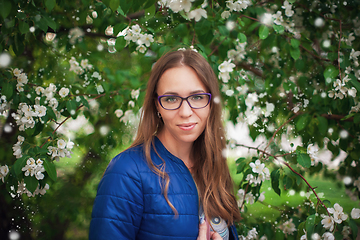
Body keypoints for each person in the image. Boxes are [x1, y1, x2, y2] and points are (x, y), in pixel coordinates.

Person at [89, 49, 241, 240]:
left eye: (197, 97)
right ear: (157, 105)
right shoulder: (126, 172)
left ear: (211, 102)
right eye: (171, 99)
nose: (186, 112)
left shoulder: (213, 165)